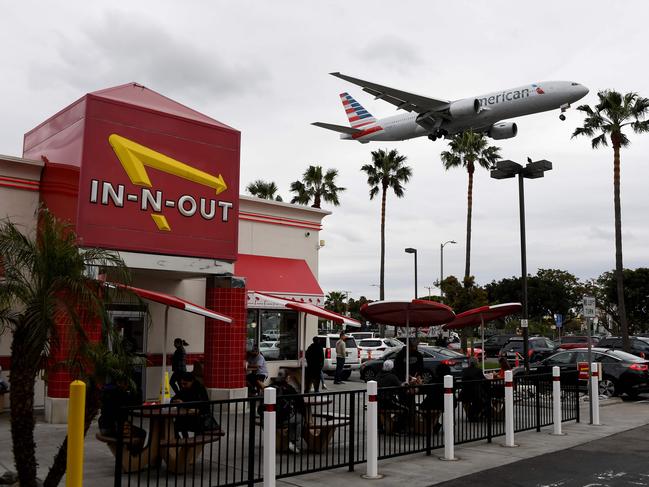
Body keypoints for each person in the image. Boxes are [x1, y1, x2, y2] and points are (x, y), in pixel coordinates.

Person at [98, 379, 146, 451]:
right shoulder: (123, 393)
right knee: (143, 433)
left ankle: (130, 455)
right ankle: (133, 455)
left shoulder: (108, 390)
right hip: (114, 430)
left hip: (104, 427)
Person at [266, 370, 306, 453]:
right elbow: (300, 401)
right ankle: (293, 441)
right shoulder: (288, 388)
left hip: (266, 418)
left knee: (292, 418)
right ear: (287, 378)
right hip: (281, 418)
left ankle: (289, 442)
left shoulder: (270, 386)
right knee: (300, 418)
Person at [171, 371, 218, 438]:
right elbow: (176, 397)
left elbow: (200, 405)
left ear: (192, 381)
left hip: (200, 419)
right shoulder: (184, 389)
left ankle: (188, 443)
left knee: (180, 425)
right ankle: (184, 442)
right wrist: (174, 401)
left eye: (185, 384)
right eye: (182, 384)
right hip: (188, 417)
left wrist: (183, 403)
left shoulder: (199, 389)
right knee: (173, 427)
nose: (183, 386)